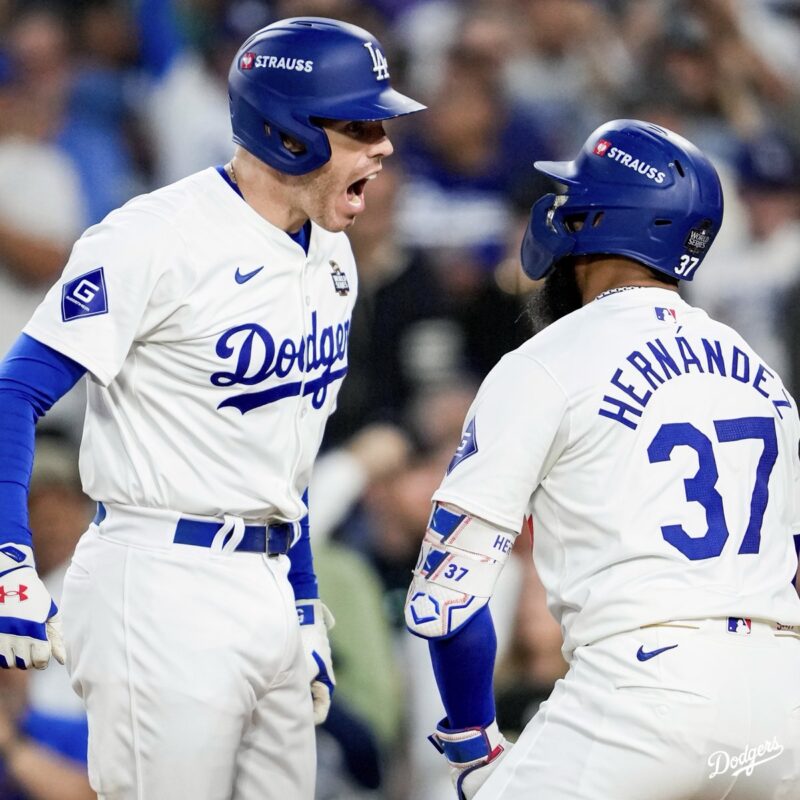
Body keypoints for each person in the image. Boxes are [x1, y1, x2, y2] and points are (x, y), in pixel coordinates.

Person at [0, 16, 424, 800]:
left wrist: (299, 596)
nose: (385, 146)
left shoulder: (332, 253)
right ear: (289, 132)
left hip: (264, 581)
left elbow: (281, 451)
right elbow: (15, 390)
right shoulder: (151, 238)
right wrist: (8, 553)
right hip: (158, 576)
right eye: (361, 125)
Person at [404, 119, 800, 800]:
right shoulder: (763, 375)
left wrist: (474, 748)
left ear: (595, 219)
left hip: (644, 695)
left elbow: (446, 596)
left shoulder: (546, 362)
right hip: (780, 710)